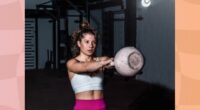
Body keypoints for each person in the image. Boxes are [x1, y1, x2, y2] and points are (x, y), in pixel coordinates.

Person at [66, 21, 114, 110]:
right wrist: (103, 63)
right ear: (79, 44)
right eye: (87, 42)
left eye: (94, 42)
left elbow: (113, 63)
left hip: (101, 107)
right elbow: (85, 67)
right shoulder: (71, 63)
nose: (91, 45)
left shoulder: (100, 60)